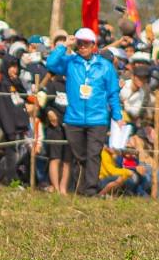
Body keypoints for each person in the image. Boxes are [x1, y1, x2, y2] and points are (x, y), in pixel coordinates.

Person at [45, 27, 125, 198]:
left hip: (98, 119)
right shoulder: (70, 63)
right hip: (74, 119)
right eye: (79, 44)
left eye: (85, 44)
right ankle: (80, 188)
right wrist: (64, 45)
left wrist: (118, 116)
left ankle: (90, 190)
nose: (82, 47)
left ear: (93, 45)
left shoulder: (105, 66)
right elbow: (51, 63)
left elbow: (113, 93)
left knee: (94, 154)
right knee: (80, 156)